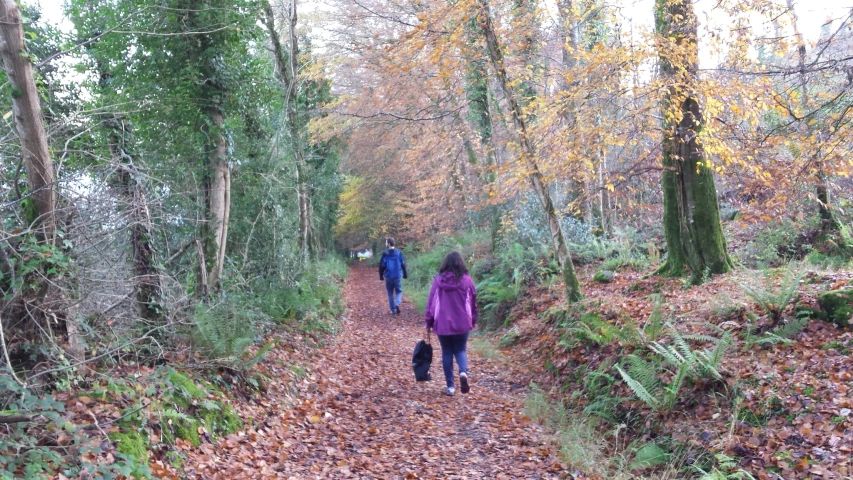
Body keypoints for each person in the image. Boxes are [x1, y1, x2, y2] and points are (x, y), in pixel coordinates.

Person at [424, 251, 478, 396]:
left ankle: (451, 387)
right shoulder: (467, 280)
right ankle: (462, 373)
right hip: (462, 322)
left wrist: (428, 322)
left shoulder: (438, 280)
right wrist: (473, 319)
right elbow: (473, 302)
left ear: (445, 264)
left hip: (442, 322)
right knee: (460, 350)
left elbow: (431, 303)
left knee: (447, 351)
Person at [379, 237, 407, 314]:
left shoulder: (385, 253)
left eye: (386, 242)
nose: (385, 243)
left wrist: (381, 275)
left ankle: (393, 310)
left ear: (388, 243)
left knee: (390, 293)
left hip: (388, 275)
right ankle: (397, 303)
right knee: (399, 291)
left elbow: (382, 265)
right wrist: (405, 273)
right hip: (397, 275)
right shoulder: (399, 252)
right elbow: (403, 263)